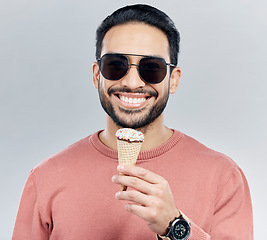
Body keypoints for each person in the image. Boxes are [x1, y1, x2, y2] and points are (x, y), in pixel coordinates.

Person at [12, 4, 253, 240]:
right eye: (116, 65)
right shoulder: (46, 177)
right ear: (97, 75)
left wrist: (174, 226)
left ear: (173, 79)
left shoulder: (223, 177)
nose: (133, 82)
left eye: (152, 68)